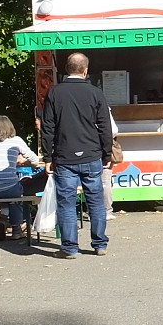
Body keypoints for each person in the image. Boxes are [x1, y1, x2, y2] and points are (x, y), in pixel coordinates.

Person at [41, 52, 112, 258]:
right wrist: (107, 153)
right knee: (96, 202)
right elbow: (104, 126)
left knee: (67, 203)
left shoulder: (54, 93)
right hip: (91, 155)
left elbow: (47, 128)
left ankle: (70, 248)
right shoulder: (95, 93)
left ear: (66, 69)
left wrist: (47, 157)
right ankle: (99, 244)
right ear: (85, 70)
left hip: (64, 158)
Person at [0, 115, 44, 240]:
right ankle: (16, 230)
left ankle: (3, 220)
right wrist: (23, 160)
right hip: (9, 188)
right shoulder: (16, 140)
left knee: (5, 187)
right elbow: (35, 160)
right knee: (15, 193)